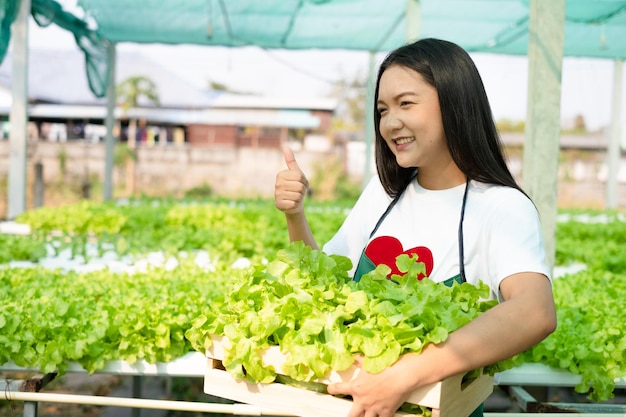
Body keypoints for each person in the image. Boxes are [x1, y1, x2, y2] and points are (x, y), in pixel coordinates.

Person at [274, 38, 556, 417]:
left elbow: (534, 312)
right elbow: (324, 284)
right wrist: (295, 215)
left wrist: (403, 376)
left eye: (406, 103)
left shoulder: (501, 206)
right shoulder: (382, 193)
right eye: (382, 110)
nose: (390, 122)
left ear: (455, 104)